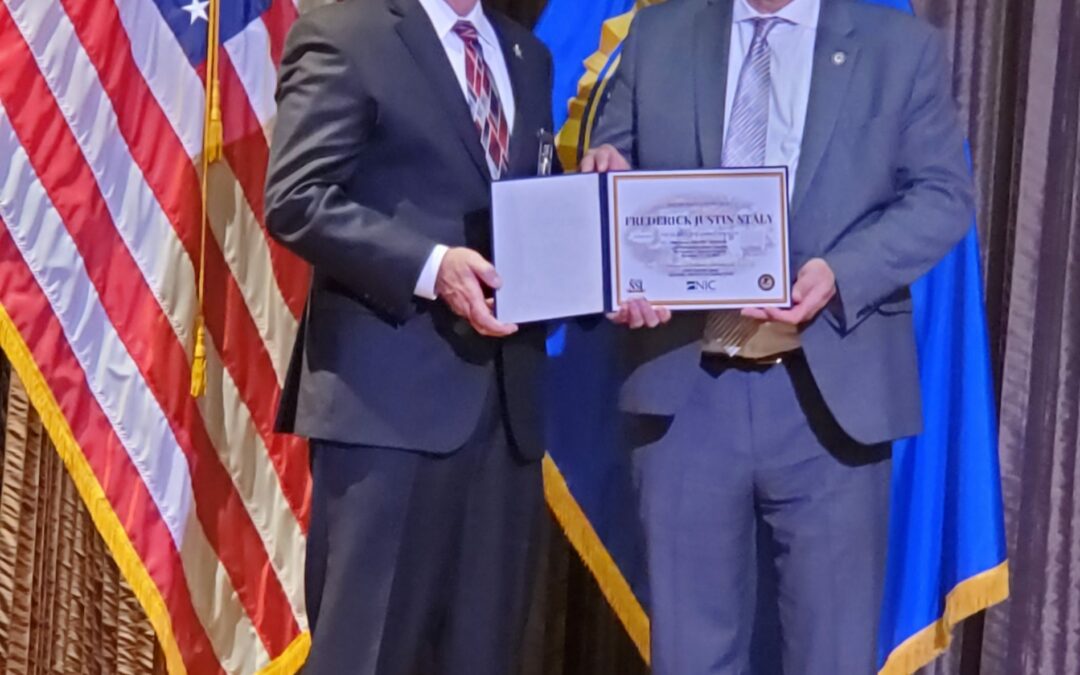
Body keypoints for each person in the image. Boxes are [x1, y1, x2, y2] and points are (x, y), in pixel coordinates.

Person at [581, 0, 974, 672]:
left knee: (833, 656)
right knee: (689, 657)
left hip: (829, 399)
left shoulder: (899, 46)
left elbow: (943, 194)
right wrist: (606, 190)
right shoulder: (659, 33)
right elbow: (610, 169)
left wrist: (840, 273)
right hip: (686, 390)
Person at [264, 0, 555, 672]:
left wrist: (609, 259)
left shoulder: (527, 57)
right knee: (366, 656)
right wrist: (431, 267)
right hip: (385, 413)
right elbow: (296, 197)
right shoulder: (346, 33)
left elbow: (533, 210)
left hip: (506, 419)